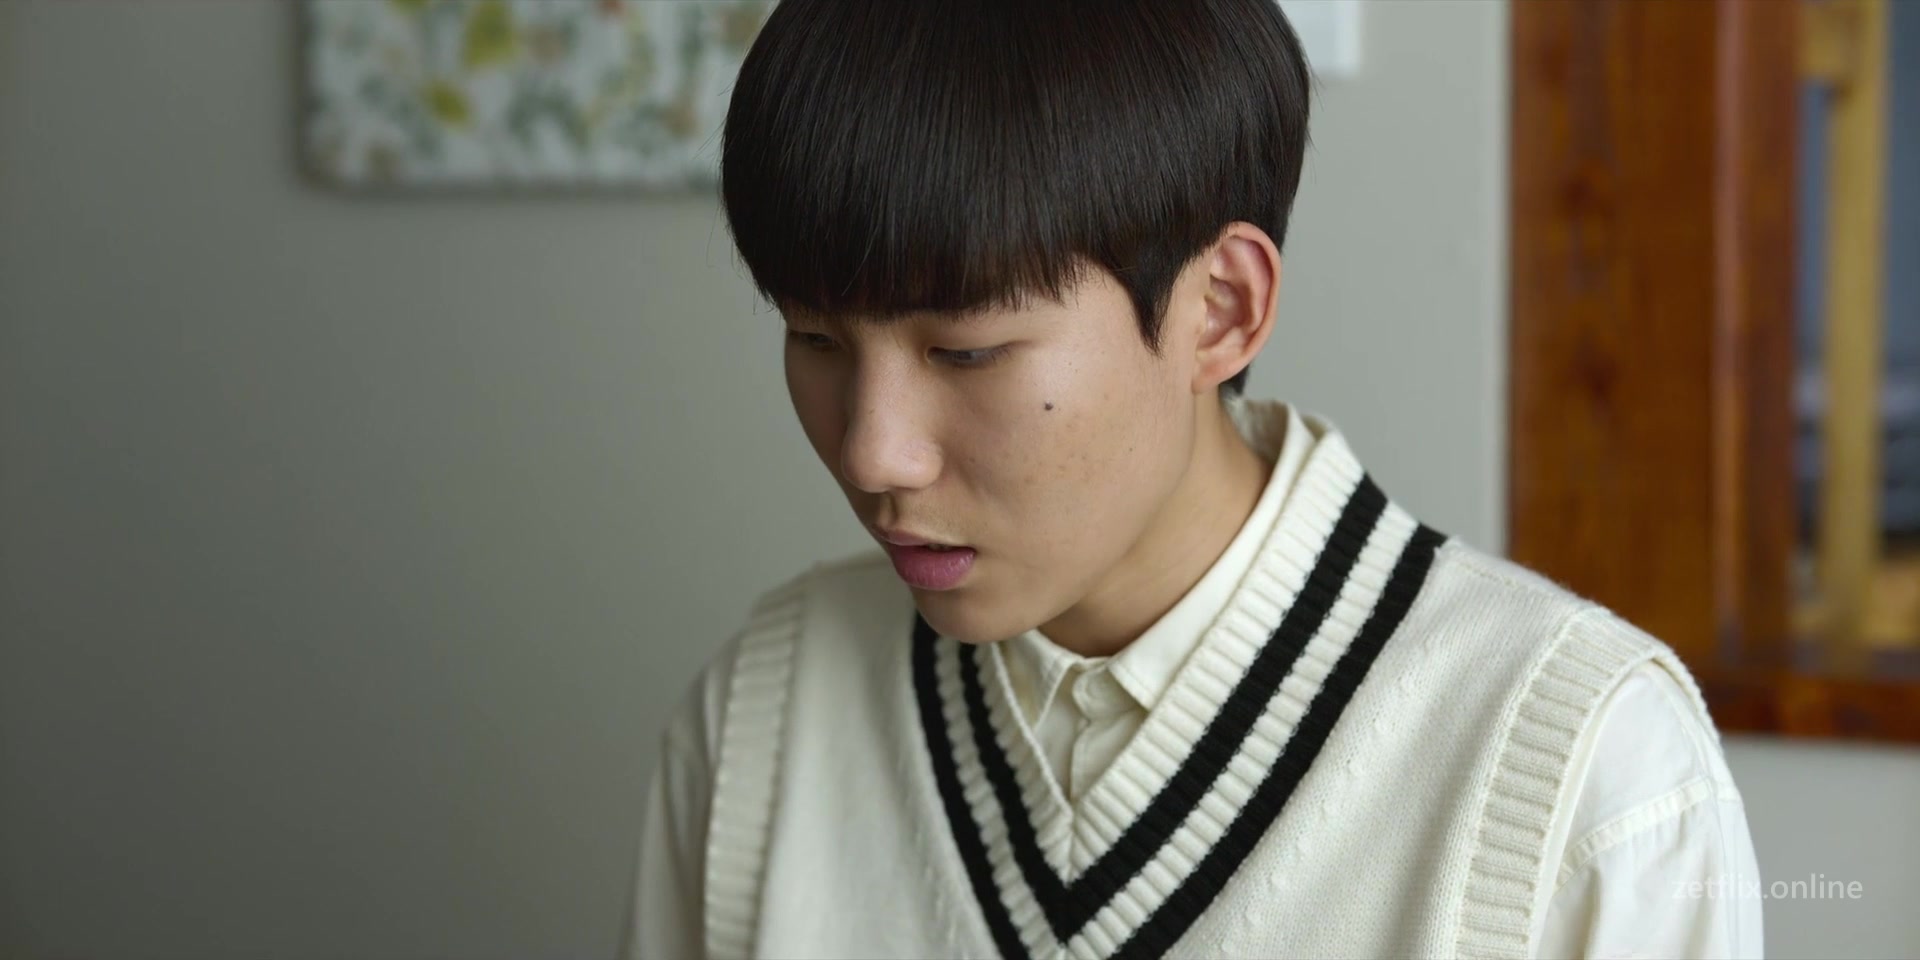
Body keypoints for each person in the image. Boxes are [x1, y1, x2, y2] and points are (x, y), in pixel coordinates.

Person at [630, 1, 1764, 957]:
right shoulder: (766, 712)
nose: (872, 452)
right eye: (814, 338)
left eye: (965, 353)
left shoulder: (1581, 770)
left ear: (1219, 309)